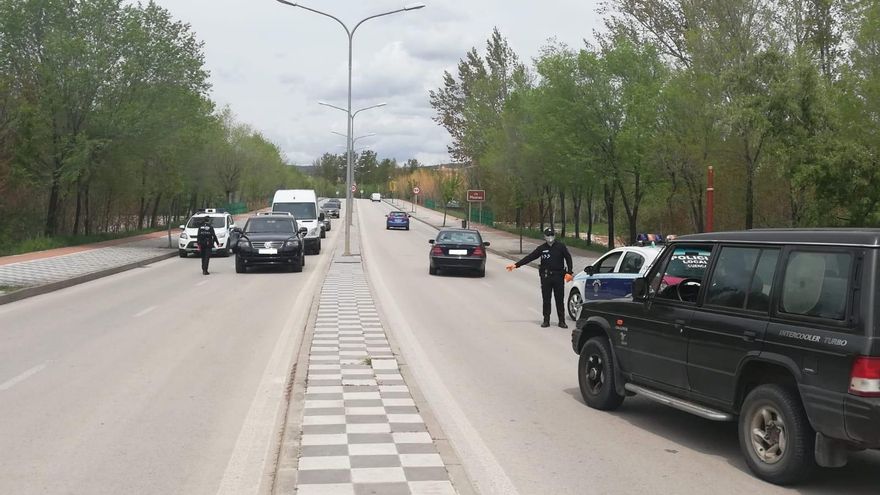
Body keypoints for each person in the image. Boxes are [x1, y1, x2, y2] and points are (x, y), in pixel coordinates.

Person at [506, 228, 574, 328]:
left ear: (554, 236)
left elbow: (568, 258)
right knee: (546, 299)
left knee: (559, 299)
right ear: (544, 237)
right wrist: (516, 265)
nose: (550, 237)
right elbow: (530, 257)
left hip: (558, 276)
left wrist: (569, 272)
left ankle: (562, 321)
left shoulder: (561, 247)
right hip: (546, 277)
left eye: (552, 235)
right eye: (548, 235)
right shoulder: (541, 248)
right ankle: (546, 320)